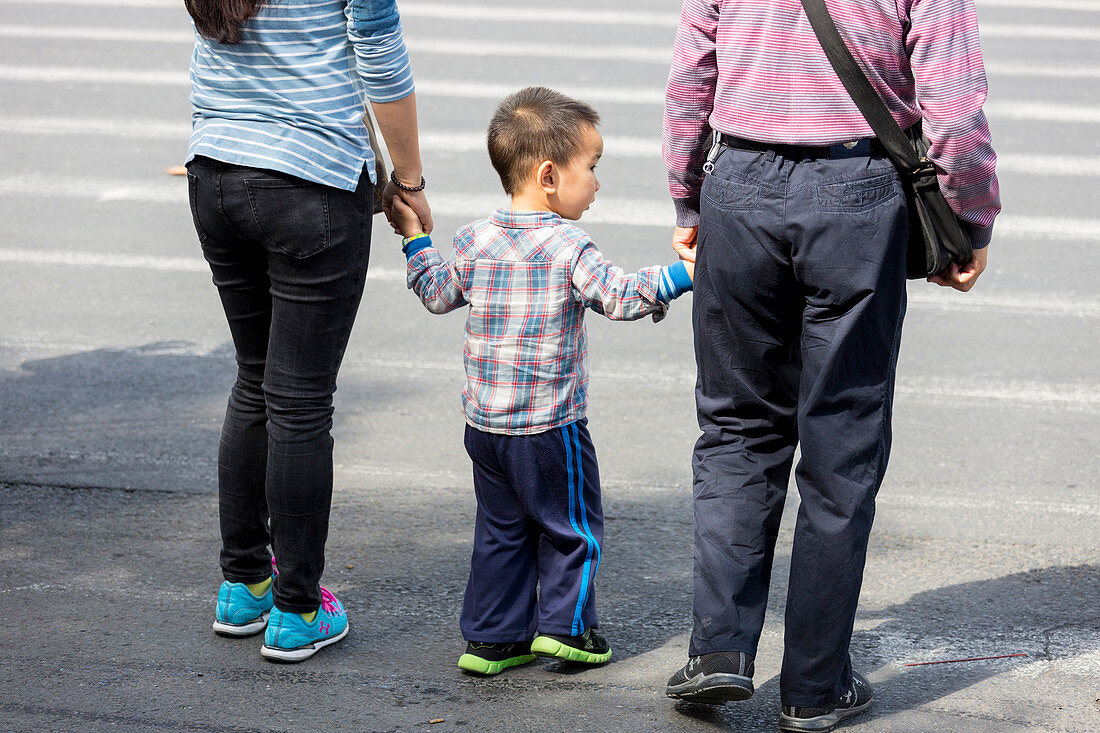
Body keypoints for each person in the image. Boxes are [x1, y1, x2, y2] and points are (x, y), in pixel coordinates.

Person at [660, 0, 1000, 729]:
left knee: (736, 428)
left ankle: (719, 650)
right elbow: (956, 109)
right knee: (841, 443)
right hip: (857, 192)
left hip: (740, 186)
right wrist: (969, 220)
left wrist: (688, 197)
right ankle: (814, 686)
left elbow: (692, 75)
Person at [388, 86, 695, 676]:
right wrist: (682, 275)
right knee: (571, 528)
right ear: (549, 174)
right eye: (593, 168)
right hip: (550, 427)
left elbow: (436, 293)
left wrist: (415, 237)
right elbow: (620, 297)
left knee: (501, 531)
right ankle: (568, 630)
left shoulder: (474, 240)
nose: (598, 183)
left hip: (485, 427)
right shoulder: (568, 245)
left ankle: (493, 639)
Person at [183, 0, 432, 662]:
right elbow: (379, 54)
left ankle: (245, 583)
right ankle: (297, 608)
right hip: (310, 184)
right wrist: (408, 177)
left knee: (255, 377)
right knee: (298, 401)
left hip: (214, 169)